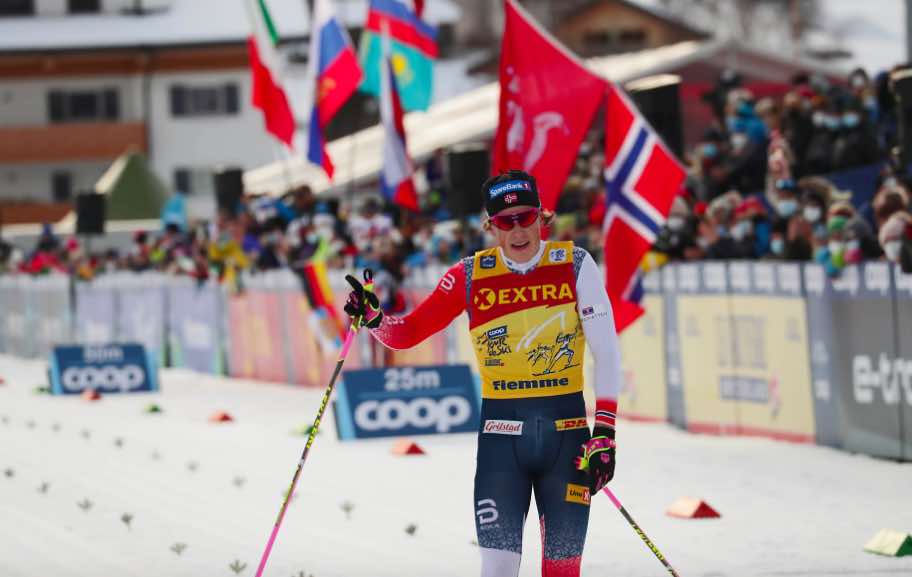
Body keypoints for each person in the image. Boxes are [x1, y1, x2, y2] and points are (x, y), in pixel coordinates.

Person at [343, 170, 622, 577]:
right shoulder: (469, 275)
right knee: (497, 570)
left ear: (542, 217)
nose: (519, 230)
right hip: (501, 446)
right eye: (507, 221)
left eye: (526, 217)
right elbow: (407, 333)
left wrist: (606, 434)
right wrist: (373, 318)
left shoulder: (576, 265)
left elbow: (607, 352)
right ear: (491, 226)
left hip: (568, 443)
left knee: (563, 571)